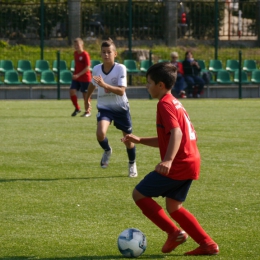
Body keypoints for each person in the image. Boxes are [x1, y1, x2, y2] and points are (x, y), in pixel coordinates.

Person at [121, 62, 219, 255]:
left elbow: (176, 133)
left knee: (139, 194)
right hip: (191, 160)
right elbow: (169, 137)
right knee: (174, 206)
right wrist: (140, 140)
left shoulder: (164, 104)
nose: (146, 86)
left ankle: (173, 233)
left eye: (149, 82)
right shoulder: (175, 102)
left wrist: (168, 160)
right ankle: (207, 244)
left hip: (180, 163)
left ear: (160, 85)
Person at [85, 38, 138, 178]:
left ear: (115, 54)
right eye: (103, 52)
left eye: (109, 52)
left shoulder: (121, 68)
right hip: (104, 107)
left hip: (120, 108)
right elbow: (92, 84)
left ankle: (132, 163)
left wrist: (104, 85)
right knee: (100, 133)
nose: (106, 54)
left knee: (127, 140)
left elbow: (121, 91)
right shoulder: (97, 68)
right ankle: (107, 150)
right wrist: (87, 98)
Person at [70, 37, 92, 117]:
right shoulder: (75, 54)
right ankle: (77, 108)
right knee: (72, 91)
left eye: (78, 45)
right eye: (75, 45)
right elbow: (77, 66)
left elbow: (87, 67)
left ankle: (88, 111)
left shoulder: (85, 54)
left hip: (85, 78)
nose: (76, 46)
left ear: (82, 45)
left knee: (85, 95)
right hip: (77, 77)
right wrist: (75, 73)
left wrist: (78, 75)